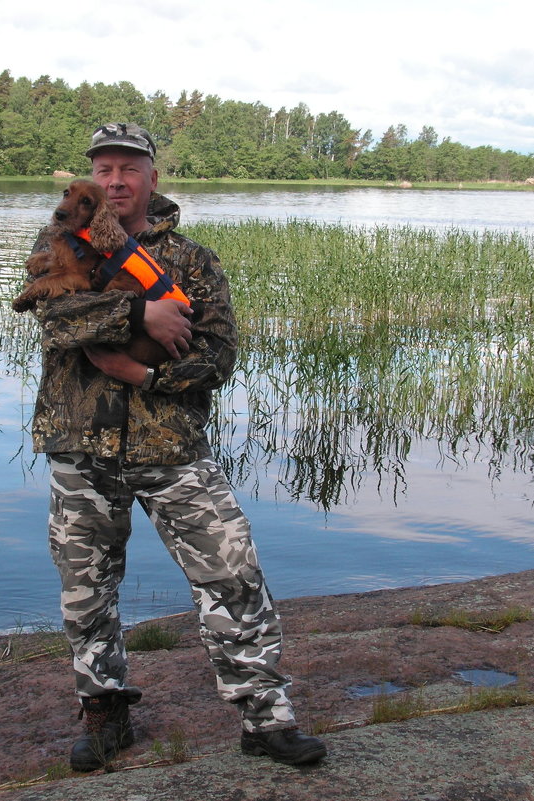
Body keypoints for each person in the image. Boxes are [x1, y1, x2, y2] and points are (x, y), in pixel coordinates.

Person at [22, 122, 327, 771]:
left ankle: (264, 716)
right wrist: (142, 317)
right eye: (103, 168)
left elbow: (219, 355)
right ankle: (106, 716)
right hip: (82, 444)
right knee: (87, 588)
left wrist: (148, 374)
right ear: (90, 179)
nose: (115, 179)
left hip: (172, 445)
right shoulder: (61, 247)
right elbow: (51, 318)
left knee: (233, 571)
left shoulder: (192, 261)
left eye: (128, 167)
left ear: (151, 177)